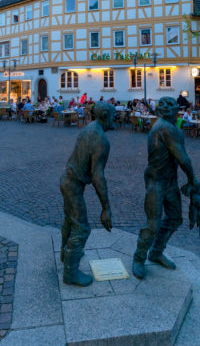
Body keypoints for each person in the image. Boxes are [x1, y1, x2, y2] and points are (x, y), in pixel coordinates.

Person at [132, 97, 200, 280]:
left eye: (172, 107)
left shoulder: (176, 129)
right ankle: (139, 258)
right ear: (162, 111)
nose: (169, 111)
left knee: (175, 218)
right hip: (156, 180)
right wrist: (193, 180)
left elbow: (182, 156)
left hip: (170, 181)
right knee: (153, 223)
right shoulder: (164, 127)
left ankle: (156, 252)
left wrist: (190, 180)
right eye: (165, 108)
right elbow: (183, 158)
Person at [60, 103, 114, 286]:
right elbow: (98, 176)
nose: (116, 116)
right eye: (113, 113)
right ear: (106, 114)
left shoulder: (89, 128)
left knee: (70, 220)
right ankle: (70, 272)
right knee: (82, 228)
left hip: (67, 180)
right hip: (73, 185)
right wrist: (105, 208)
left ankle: (65, 254)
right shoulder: (101, 139)